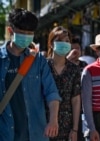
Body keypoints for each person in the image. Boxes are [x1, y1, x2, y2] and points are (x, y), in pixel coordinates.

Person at [0, 8, 61, 141]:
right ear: (11, 31)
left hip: (36, 133)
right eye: (22, 33)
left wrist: (53, 120)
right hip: (5, 133)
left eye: (30, 33)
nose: (26, 37)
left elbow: (51, 92)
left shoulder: (38, 60)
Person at [47, 26, 81, 141]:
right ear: (51, 44)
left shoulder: (74, 69)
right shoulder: (43, 67)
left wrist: (75, 129)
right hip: (44, 124)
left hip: (67, 126)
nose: (64, 44)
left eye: (66, 41)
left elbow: (76, 100)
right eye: (59, 41)